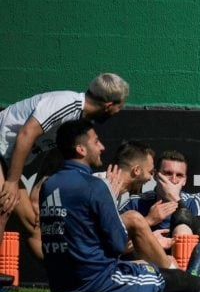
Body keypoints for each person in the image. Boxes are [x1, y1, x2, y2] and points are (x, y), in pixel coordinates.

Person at [39, 119, 200, 292]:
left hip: (62, 283)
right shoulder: (99, 188)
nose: (102, 147)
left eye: (178, 175)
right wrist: (148, 226)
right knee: (174, 277)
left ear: (185, 179)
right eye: (96, 141)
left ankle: (189, 276)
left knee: (169, 270)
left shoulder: (49, 185)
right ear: (81, 149)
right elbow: (115, 245)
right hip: (99, 281)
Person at [0, 73, 129, 259]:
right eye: (120, 105)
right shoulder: (65, 104)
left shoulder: (79, 121)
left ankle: (69, 281)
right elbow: (26, 134)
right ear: (109, 105)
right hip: (2, 154)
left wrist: (37, 192)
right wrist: (12, 182)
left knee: (33, 225)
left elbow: (55, 155)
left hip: (6, 161)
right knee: (4, 207)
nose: (119, 110)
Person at [120, 150, 200, 246]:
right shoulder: (136, 201)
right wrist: (149, 221)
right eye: (168, 173)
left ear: (185, 180)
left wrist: (176, 200)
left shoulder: (196, 200)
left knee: (182, 231)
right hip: (144, 260)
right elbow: (113, 237)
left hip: (182, 260)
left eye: (179, 175)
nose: (173, 180)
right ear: (156, 175)